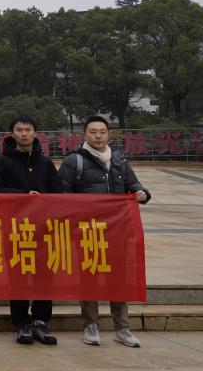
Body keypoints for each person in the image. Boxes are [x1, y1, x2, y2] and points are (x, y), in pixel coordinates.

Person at [58, 115, 151, 348]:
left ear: (108, 134)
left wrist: (142, 193)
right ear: (84, 135)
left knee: (118, 278)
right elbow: (61, 196)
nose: (98, 136)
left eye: (102, 132)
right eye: (93, 132)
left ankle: (122, 328)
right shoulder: (74, 161)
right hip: (88, 231)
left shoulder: (119, 159)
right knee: (89, 277)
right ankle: (90, 325)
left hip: (117, 230)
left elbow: (134, 184)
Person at [0, 115, 62, 347]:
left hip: (42, 229)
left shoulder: (45, 163)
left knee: (44, 276)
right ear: (12, 134)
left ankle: (41, 320)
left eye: (28, 129)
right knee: (18, 275)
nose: (24, 134)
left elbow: (59, 193)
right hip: (15, 229)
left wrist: (43, 199)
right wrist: (23, 197)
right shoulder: (2, 162)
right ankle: (21, 323)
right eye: (19, 130)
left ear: (35, 133)